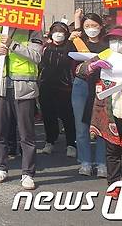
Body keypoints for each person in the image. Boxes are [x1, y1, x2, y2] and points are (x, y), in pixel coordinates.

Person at [76, 26, 122, 206]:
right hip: (108, 111)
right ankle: (114, 185)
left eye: (120, 41)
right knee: (112, 152)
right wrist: (93, 65)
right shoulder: (105, 55)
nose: (116, 44)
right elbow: (80, 70)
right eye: (112, 41)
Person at [0, 25, 43, 191]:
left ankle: (28, 173)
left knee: (26, 133)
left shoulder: (32, 30)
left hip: (23, 88)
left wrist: (13, 44)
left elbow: (37, 56)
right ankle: (1, 168)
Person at [70, 10, 108, 178]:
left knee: (103, 125)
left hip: (103, 85)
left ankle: (102, 162)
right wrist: (76, 22)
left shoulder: (108, 42)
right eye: (87, 26)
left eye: (94, 25)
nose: (91, 28)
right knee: (81, 125)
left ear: (101, 26)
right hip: (81, 84)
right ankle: (85, 161)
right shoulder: (78, 41)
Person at [37, 21, 77, 157]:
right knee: (48, 116)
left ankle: (71, 144)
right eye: (55, 31)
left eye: (61, 31)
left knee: (68, 117)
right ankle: (50, 141)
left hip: (65, 87)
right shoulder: (45, 48)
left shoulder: (71, 47)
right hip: (46, 85)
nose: (58, 34)